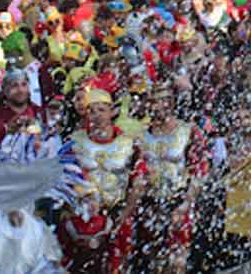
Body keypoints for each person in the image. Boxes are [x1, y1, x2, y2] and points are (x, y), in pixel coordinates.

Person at [66, 83, 146, 273]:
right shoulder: (74, 143)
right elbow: (65, 179)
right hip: (85, 217)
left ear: (112, 111)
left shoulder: (129, 143)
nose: (98, 115)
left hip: (118, 212)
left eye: (102, 109)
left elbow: (139, 182)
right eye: (92, 111)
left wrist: (124, 214)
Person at [133, 85, 209, 274]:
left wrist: (186, 204)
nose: (155, 107)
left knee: (177, 261)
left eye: (159, 101)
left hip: (179, 200)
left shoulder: (188, 132)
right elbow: (136, 173)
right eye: (151, 102)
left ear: (170, 104)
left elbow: (200, 171)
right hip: (151, 204)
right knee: (155, 263)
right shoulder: (140, 136)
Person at [0, 68, 42, 141]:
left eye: (24, 85)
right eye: (14, 86)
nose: (20, 90)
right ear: (5, 90)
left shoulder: (38, 112)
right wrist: (6, 129)